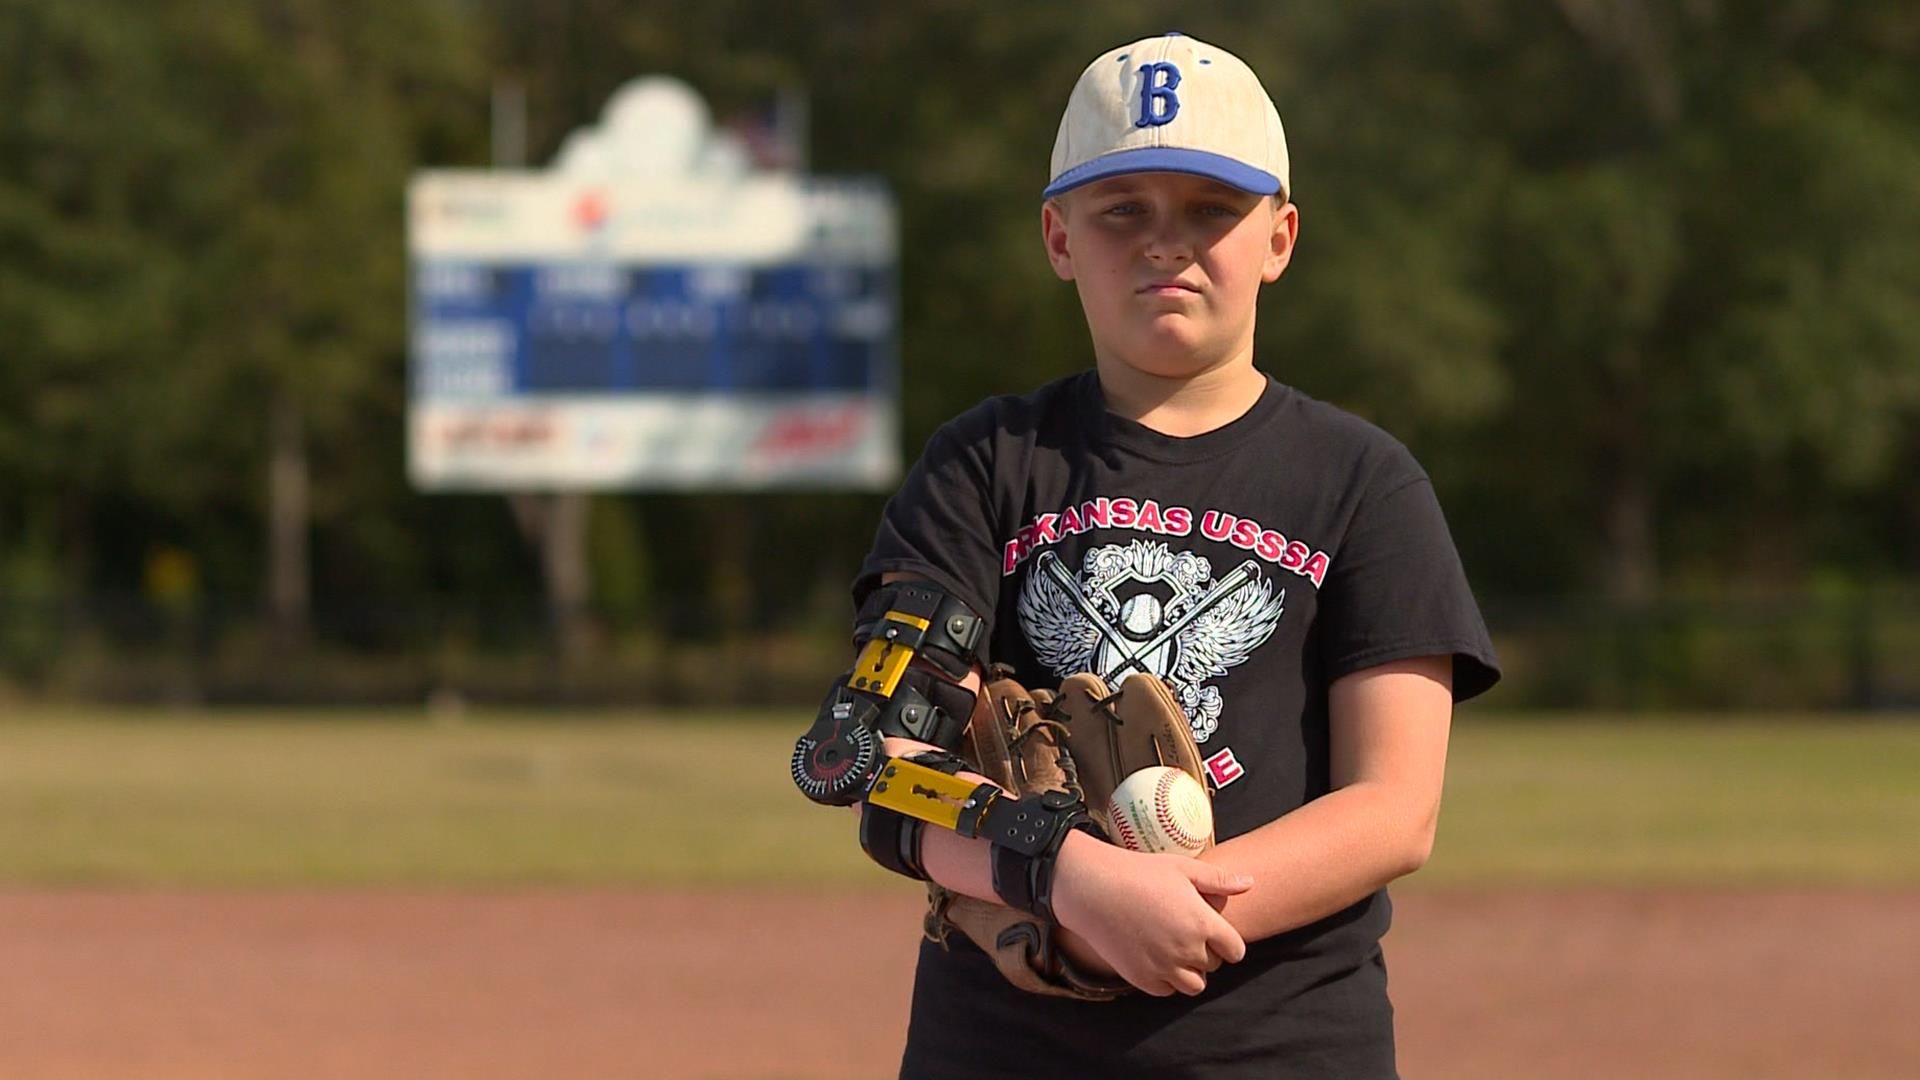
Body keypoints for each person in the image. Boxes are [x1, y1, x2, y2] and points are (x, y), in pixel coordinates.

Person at [850, 31, 1500, 1078]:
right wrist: (1069, 877)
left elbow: (1394, 809)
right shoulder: (986, 464)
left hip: (1282, 1043)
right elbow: (881, 763)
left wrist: (1175, 910)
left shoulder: (1362, 482)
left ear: (1279, 237)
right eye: (1123, 212)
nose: (1167, 243)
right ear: (1059, 236)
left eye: (1211, 211)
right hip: (1006, 1048)